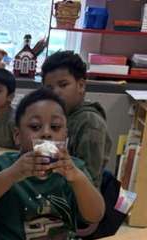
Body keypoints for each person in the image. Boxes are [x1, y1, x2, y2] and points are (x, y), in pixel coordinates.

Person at [0, 89, 105, 240]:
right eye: (35, 127)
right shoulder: (3, 166)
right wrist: (12, 174)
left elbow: (95, 215)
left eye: (55, 127)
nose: (46, 133)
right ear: (17, 135)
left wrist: (78, 178)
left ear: (65, 135)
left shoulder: (74, 169)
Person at [40, 51, 111, 187]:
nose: (55, 92)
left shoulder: (90, 122)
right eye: (49, 88)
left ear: (81, 86)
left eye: (63, 85)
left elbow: (90, 179)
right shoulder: (57, 116)